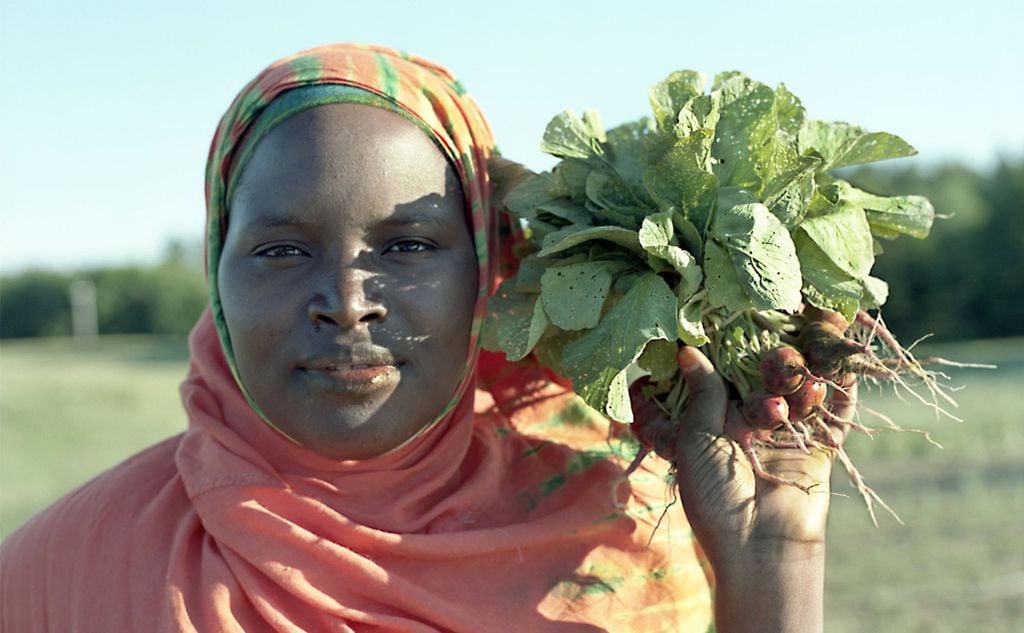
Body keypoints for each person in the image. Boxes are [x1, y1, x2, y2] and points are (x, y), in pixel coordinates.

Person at [0, 44, 855, 632]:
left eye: (407, 246)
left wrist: (772, 559)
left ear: (487, 269)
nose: (345, 301)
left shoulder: (621, 535)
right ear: (215, 271)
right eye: (280, 249)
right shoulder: (66, 571)